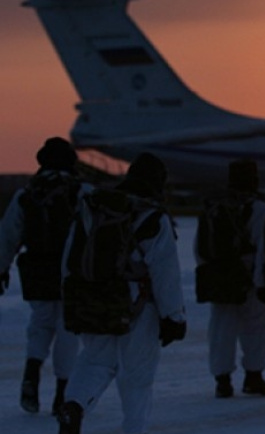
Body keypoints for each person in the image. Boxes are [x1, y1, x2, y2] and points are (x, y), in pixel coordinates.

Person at [57, 153, 187, 434]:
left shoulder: (93, 208)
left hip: (92, 297)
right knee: (137, 375)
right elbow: (166, 273)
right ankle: (134, 429)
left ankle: (74, 406)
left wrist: (73, 295)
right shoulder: (153, 216)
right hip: (137, 304)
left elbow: (71, 258)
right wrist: (173, 316)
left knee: (95, 360)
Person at [0, 137, 87, 415]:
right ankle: (62, 393)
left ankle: (31, 374)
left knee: (40, 323)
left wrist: (1, 269)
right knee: (67, 330)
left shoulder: (27, 194)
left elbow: (8, 236)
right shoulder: (82, 192)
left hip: (36, 270)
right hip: (73, 273)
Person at [194, 159, 265, 398]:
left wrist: (212, 271)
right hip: (248, 277)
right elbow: (264, 249)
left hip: (220, 277)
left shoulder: (214, 207)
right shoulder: (259, 209)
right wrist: (260, 282)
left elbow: (200, 247)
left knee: (221, 329)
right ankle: (253, 376)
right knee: (256, 327)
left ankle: (222, 381)